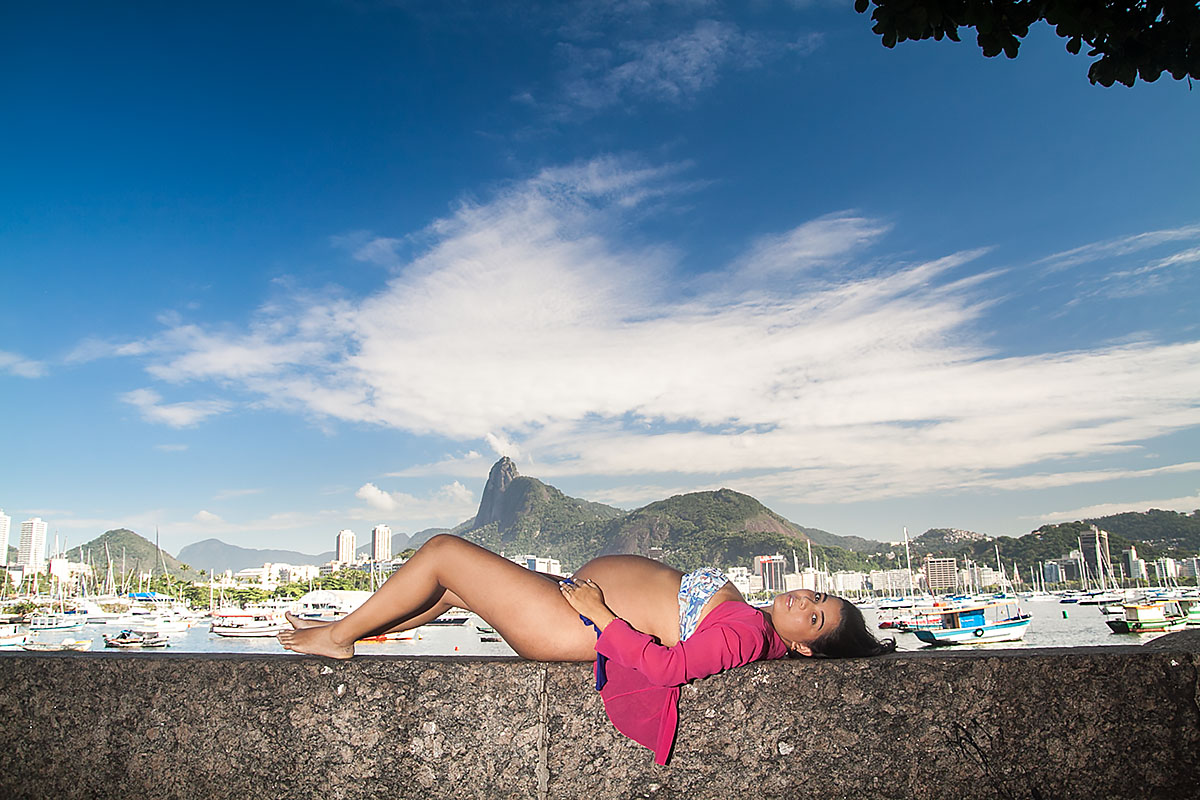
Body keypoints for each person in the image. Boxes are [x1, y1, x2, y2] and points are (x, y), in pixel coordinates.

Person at [277, 534, 895, 763]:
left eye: (815, 618)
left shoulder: (748, 632)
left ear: (807, 649)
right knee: (456, 593)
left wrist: (599, 612)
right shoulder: (757, 616)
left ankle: (338, 638)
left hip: (576, 625)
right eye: (817, 597)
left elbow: (669, 665)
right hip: (573, 606)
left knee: (442, 553)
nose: (804, 601)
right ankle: (360, 629)